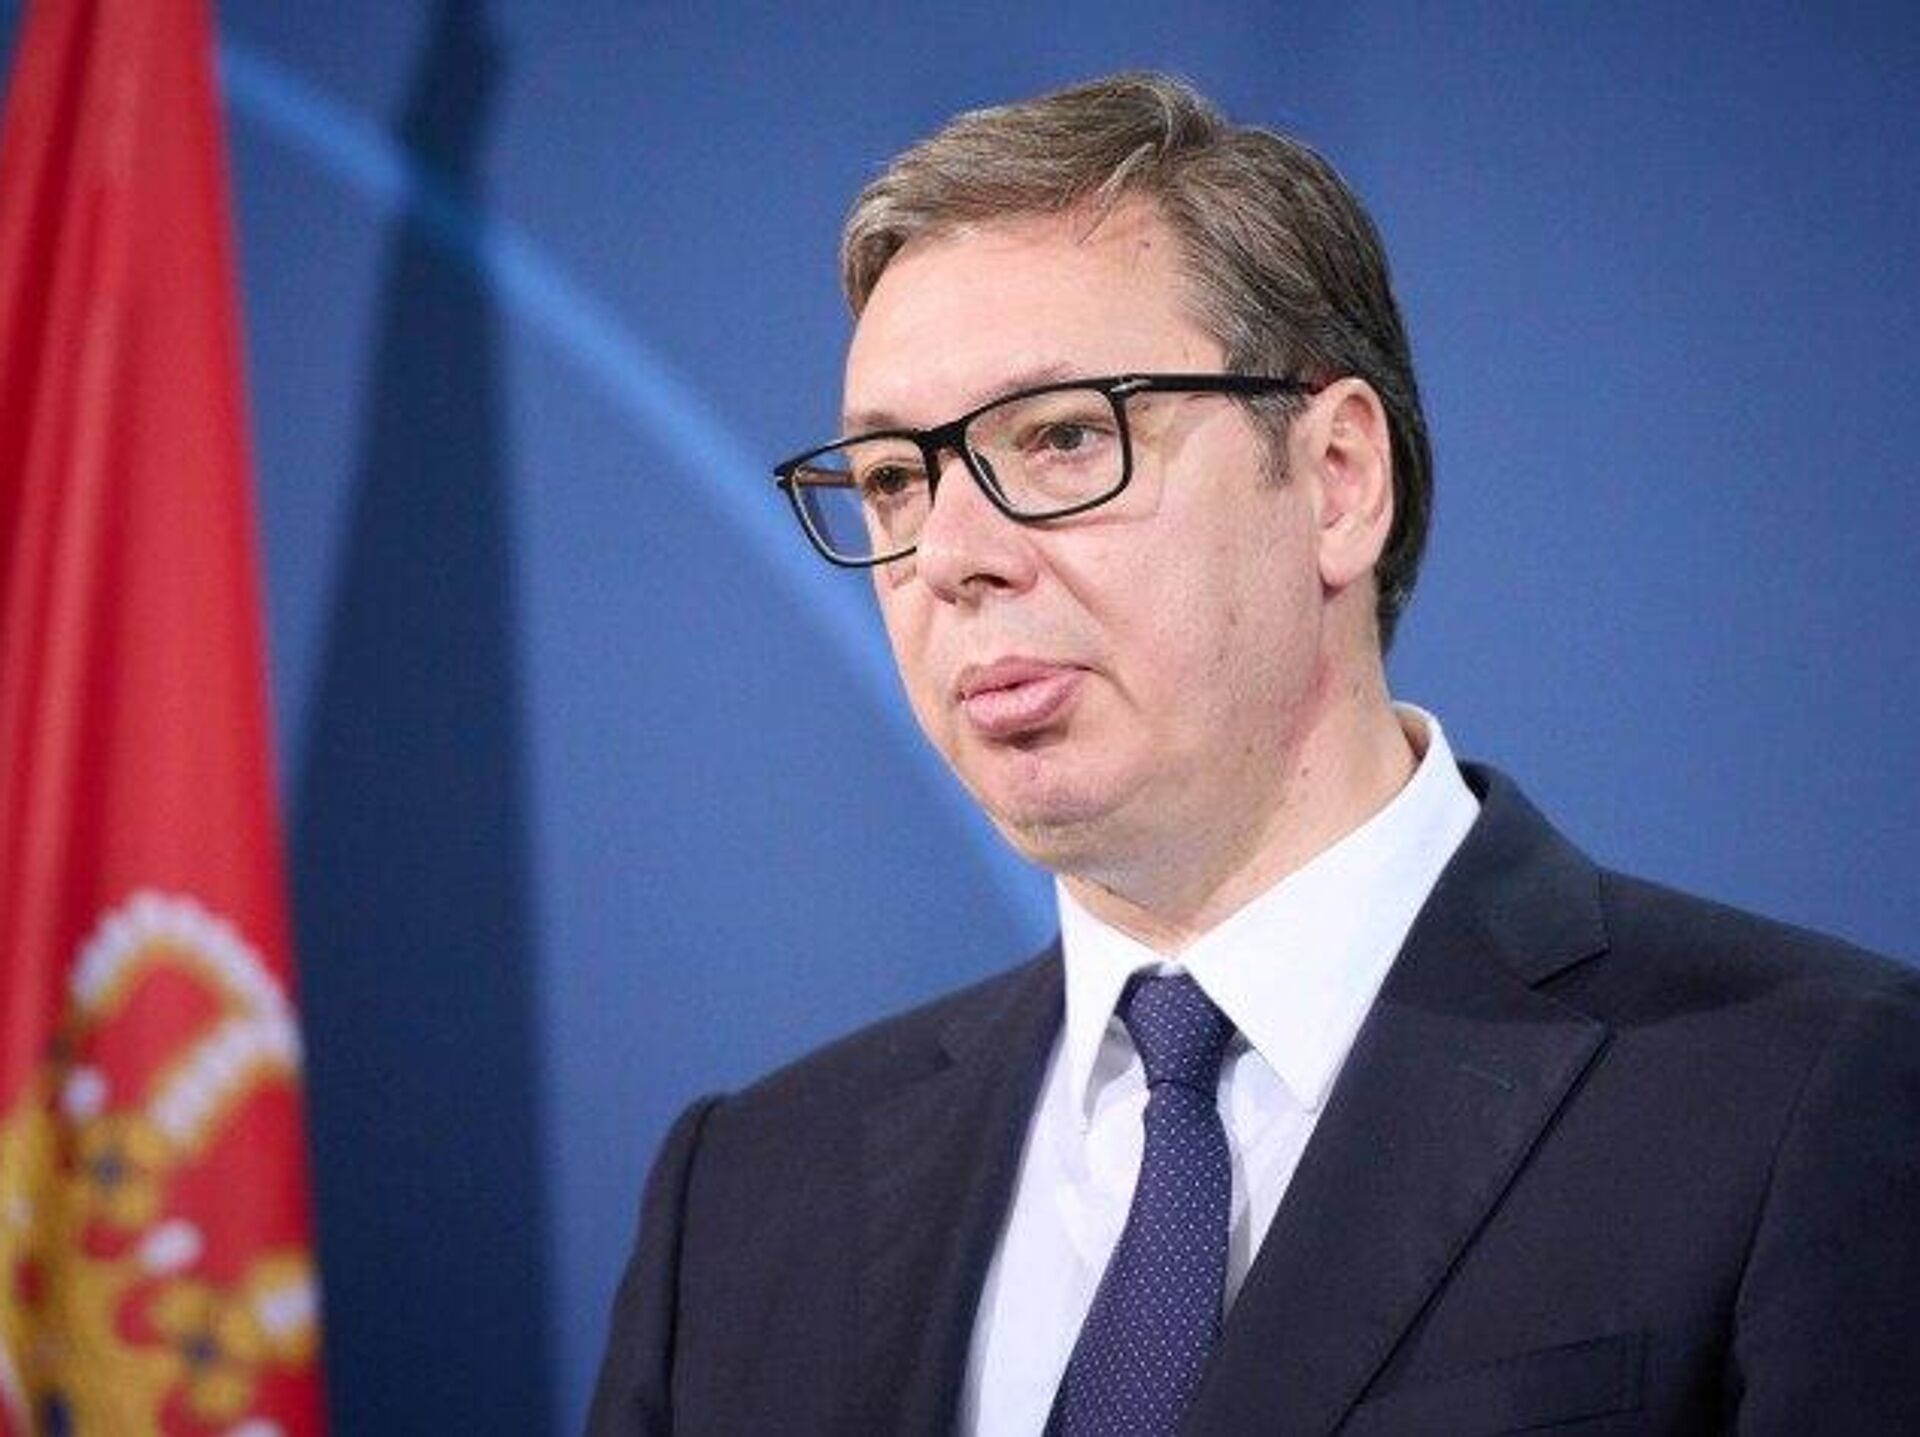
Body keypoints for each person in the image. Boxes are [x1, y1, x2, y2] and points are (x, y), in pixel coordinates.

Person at [589, 73, 1920, 1435]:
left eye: (1061, 439)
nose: (949, 556)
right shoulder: (746, 1197)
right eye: (892, 479)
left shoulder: (1797, 1093)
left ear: (1338, 478)